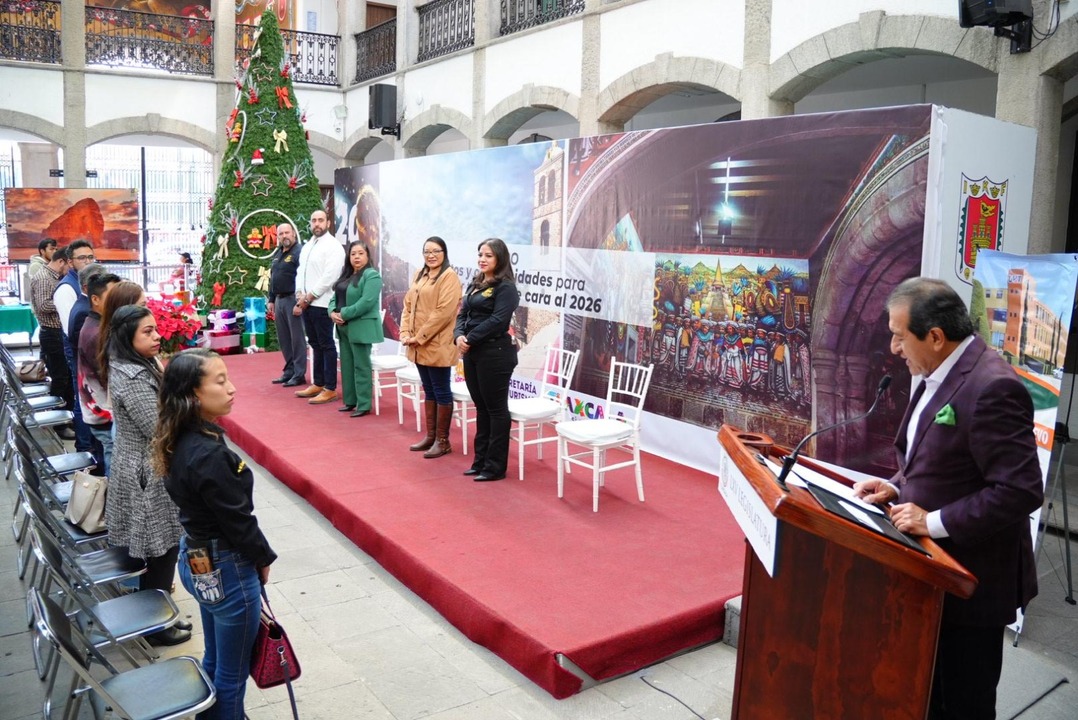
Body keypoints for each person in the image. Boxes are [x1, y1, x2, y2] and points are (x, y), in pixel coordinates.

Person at [854, 277, 1043, 720]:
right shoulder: (935, 371)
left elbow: (1020, 490)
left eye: (900, 336)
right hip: (928, 573)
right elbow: (935, 456)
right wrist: (897, 485)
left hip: (971, 583)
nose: (895, 348)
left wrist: (933, 521)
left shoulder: (993, 386)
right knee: (928, 695)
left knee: (963, 704)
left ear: (935, 337)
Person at [156, 349, 276, 720]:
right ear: (193, 394)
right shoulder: (206, 453)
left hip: (197, 557)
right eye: (220, 381)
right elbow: (237, 520)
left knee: (215, 657)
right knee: (231, 674)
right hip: (227, 567)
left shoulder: (183, 438)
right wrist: (262, 557)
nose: (232, 389)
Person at [104, 305, 191, 646]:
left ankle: (158, 616)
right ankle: (155, 627)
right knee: (161, 549)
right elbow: (156, 428)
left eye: (156, 330)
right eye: (148, 332)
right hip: (147, 469)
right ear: (128, 337)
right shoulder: (133, 377)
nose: (157, 337)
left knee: (162, 547)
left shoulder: (137, 365)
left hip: (145, 463)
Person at [454, 239, 520, 481]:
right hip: (472, 352)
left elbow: (498, 321)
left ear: (499, 259)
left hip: (496, 353)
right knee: (481, 407)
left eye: (488, 255)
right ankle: (480, 461)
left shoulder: (506, 288)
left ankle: (494, 467)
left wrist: (469, 338)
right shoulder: (476, 282)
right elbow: (463, 313)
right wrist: (458, 335)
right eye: (480, 254)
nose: (482, 259)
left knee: (496, 409)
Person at [400, 236, 462, 457]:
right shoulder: (420, 273)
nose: (431, 255)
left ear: (444, 252)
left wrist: (420, 336)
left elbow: (443, 313)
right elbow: (408, 306)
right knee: (429, 390)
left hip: (437, 344)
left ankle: (443, 441)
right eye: (427, 251)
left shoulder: (449, 277)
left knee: (441, 390)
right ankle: (431, 435)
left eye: (436, 251)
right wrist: (405, 333)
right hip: (418, 344)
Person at [294, 209, 345, 405]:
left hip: (322, 303)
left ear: (328, 223)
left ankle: (330, 388)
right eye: (314, 220)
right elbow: (301, 271)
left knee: (326, 345)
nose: (317, 224)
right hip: (307, 302)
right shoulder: (308, 245)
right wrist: (300, 293)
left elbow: (330, 277)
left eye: (320, 220)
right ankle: (318, 383)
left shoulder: (333, 246)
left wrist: (310, 296)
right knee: (314, 344)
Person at [328, 240, 384, 416]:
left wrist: (343, 313)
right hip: (343, 327)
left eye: (360, 253)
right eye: (353, 254)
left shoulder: (372, 275)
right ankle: (350, 401)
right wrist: (332, 313)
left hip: (360, 325)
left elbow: (366, 303)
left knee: (361, 365)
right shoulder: (346, 276)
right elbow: (333, 299)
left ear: (367, 256)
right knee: (347, 365)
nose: (357, 257)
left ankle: (364, 404)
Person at [74, 269, 121, 474]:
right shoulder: (97, 332)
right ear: (95, 299)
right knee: (113, 454)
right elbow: (110, 377)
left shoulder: (99, 324)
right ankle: (113, 501)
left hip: (99, 407)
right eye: (113, 297)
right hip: (102, 410)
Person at [28, 246, 75, 440]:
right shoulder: (43, 278)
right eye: (70, 264)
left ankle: (67, 417)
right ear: (62, 261)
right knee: (60, 378)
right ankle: (59, 423)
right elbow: (43, 305)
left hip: (58, 333)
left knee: (65, 377)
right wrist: (65, 300)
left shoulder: (54, 277)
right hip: (52, 334)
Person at [56, 239, 97, 453]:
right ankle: (85, 449)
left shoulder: (86, 283)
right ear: (70, 262)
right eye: (82, 258)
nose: (88, 261)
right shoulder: (66, 289)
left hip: (88, 354)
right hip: (78, 355)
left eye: (91, 257)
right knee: (83, 402)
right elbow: (71, 332)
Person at [267, 222, 306, 387]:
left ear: (293, 234)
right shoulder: (277, 253)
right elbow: (273, 277)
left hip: (293, 299)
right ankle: (289, 371)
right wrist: (271, 299)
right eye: (281, 234)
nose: (284, 236)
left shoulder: (300, 251)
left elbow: (304, 277)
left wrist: (300, 302)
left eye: (287, 233)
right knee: (284, 339)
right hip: (279, 300)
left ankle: (299, 374)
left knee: (296, 339)